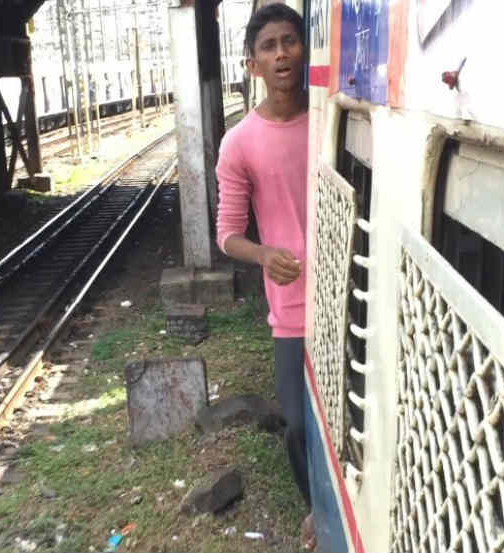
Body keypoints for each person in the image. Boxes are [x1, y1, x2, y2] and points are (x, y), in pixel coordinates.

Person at [214, 3, 314, 551]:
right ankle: (315, 506)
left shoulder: (332, 119)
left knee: (344, 417)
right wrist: (261, 253)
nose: (282, 53)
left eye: (290, 41)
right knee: (298, 424)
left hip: (346, 291)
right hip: (291, 307)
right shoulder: (240, 143)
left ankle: (338, 510)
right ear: (252, 63)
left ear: (304, 49)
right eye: (270, 46)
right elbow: (226, 232)